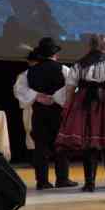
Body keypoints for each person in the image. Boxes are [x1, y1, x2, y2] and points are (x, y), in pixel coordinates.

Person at [55, 35, 105, 192]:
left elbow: (70, 87)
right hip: (104, 101)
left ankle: (90, 183)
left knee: (89, 142)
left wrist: (68, 106)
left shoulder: (79, 64)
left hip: (84, 102)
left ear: (90, 46)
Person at [27, 37, 78, 190]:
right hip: (57, 112)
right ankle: (62, 179)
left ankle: (42, 181)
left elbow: (20, 89)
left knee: (40, 146)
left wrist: (38, 96)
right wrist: (55, 98)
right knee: (61, 144)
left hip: (39, 112)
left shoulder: (30, 71)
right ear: (55, 54)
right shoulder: (63, 69)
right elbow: (72, 88)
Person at [13, 47, 41, 153]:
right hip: (32, 107)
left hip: (42, 108)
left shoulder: (24, 75)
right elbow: (19, 92)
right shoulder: (25, 75)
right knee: (31, 130)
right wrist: (37, 95)